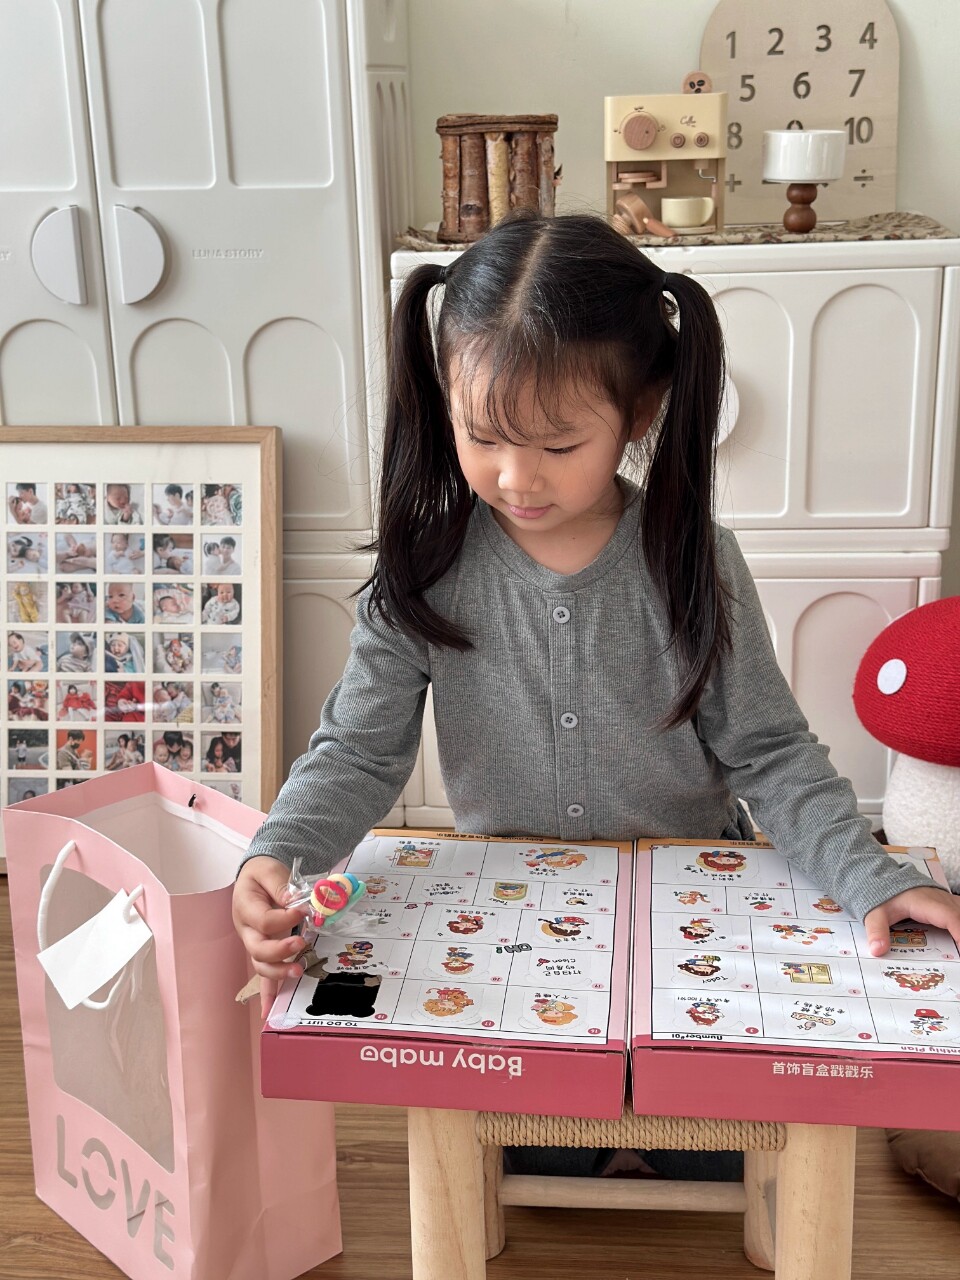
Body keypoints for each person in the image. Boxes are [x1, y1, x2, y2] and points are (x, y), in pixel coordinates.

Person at [233, 211, 960, 1167]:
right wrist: (277, 852)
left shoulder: (696, 560)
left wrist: (871, 874)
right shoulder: (425, 569)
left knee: (711, 1154)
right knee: (532, 1152)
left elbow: (771, 753)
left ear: (641, 413)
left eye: (558, 444)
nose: (515, 476)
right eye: (483, 435)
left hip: (688, 914)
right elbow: (360, 751)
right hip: (510, 923)